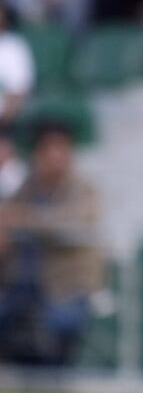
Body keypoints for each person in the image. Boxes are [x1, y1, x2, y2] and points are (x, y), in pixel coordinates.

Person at [0, 120, 105, 365]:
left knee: (62, 323)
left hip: (68, 289)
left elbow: (71, 221)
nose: (56, 156)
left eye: (62, 148)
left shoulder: (84, 190)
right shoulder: (26, 188)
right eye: (49, 149)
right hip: (21, 286)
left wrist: (24, 218)